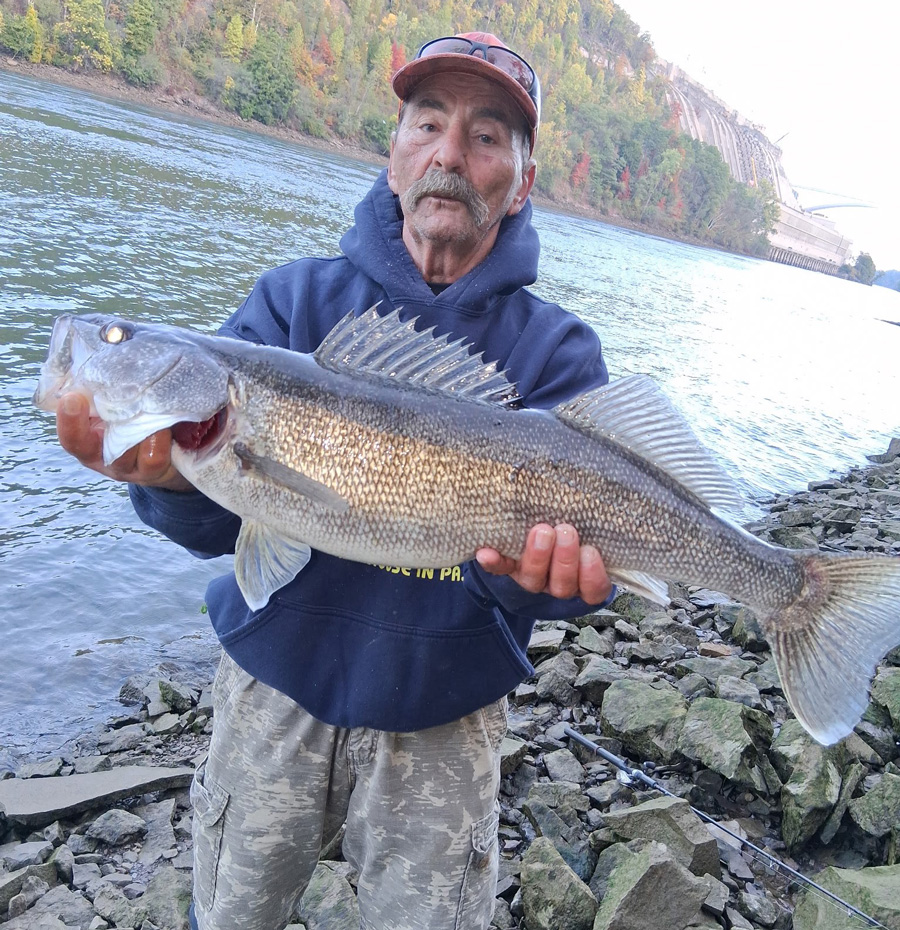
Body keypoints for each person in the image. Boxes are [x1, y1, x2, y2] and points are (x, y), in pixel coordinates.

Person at [56, 32, 616, 930]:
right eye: (427, 123)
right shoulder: (291, 307)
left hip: (445, 714)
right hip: (270, 692)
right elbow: (216, 530)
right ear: (392, 154)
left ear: (523, 178)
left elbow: (581, 587)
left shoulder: (559, 354)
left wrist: (532, 584)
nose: (449, 153)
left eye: (484, 136)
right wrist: (164, 478)